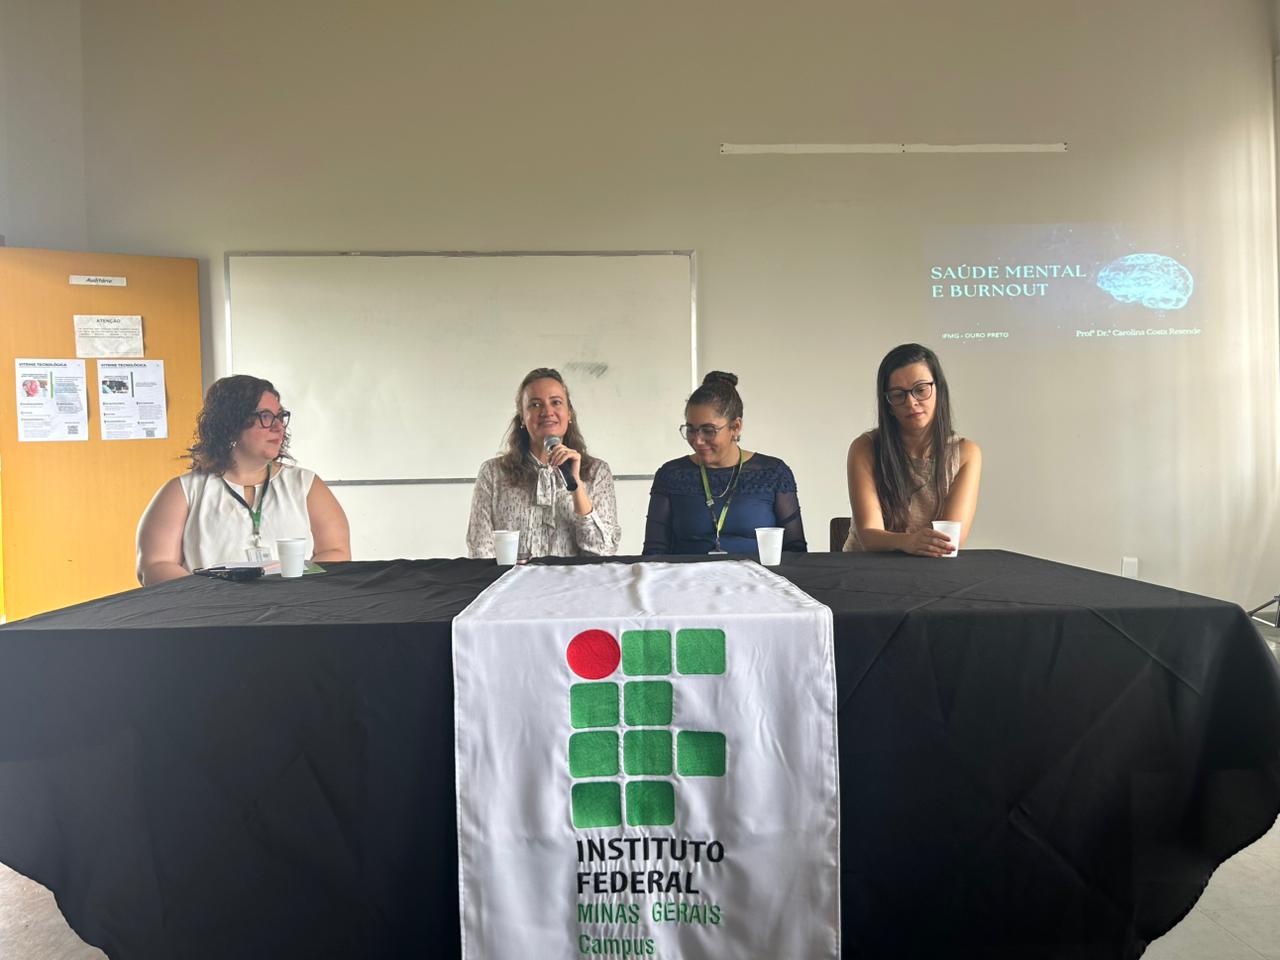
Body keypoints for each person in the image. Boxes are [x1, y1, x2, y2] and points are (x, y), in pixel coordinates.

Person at [136, 375, 351, 584]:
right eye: (265, 416)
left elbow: (336, 551)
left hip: (293, 604)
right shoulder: (183, 490)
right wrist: (212, 596)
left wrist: (292, 588)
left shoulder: (305, 484)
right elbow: (154, 565)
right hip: (212, 606)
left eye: (280, 416)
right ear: (231, 424)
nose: (278, 427)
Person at [643, 371, 806, 555]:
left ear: (735, 427)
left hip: (757, 574)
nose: (698, 440)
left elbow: (796, 551)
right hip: (686, 574)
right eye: (691, 429)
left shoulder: (773, 473)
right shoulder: (671, 475)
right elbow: (653, 552)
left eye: (708, 430)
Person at [466, 367, 621, 558]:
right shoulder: (493, 473)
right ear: (522, 417)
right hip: (511, 578)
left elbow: (604, 551)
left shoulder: (597, 472)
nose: (547, 412)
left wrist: (577, 487)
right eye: (535, 404)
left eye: (556, 402)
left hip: (575, 578)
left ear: (569, 413)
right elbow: (480, 550)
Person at [844, 343, 981, 557]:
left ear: (939, 390)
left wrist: (915, 543)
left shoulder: (965, 453)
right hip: (865, 565)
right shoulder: (865, 448)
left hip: (929, 567)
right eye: (898, 394)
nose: (911, 402)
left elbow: (950, 540)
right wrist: (907, 541)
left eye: (921, 390)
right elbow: (869, 536)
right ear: (888, 404)